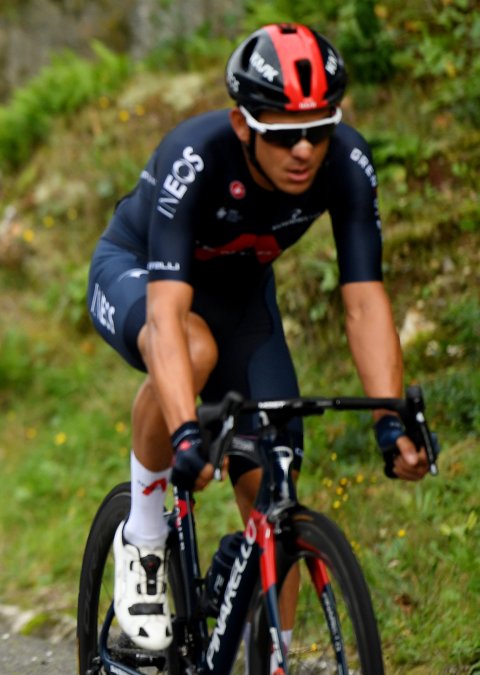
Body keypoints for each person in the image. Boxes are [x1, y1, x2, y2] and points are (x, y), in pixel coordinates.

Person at [85, 23, 430, 651]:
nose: (304, 150)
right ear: (244, 125)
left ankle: (275, 658)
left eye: (319, 129)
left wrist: (390, 417)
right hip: (140, 274)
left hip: (242, 301)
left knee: (275, 488)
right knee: (191, 351)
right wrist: (188, 431)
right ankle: (143, 538)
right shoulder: (196, 155)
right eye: (282, 133)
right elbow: (166, 314)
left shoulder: (347, 162)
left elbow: (363, 301)